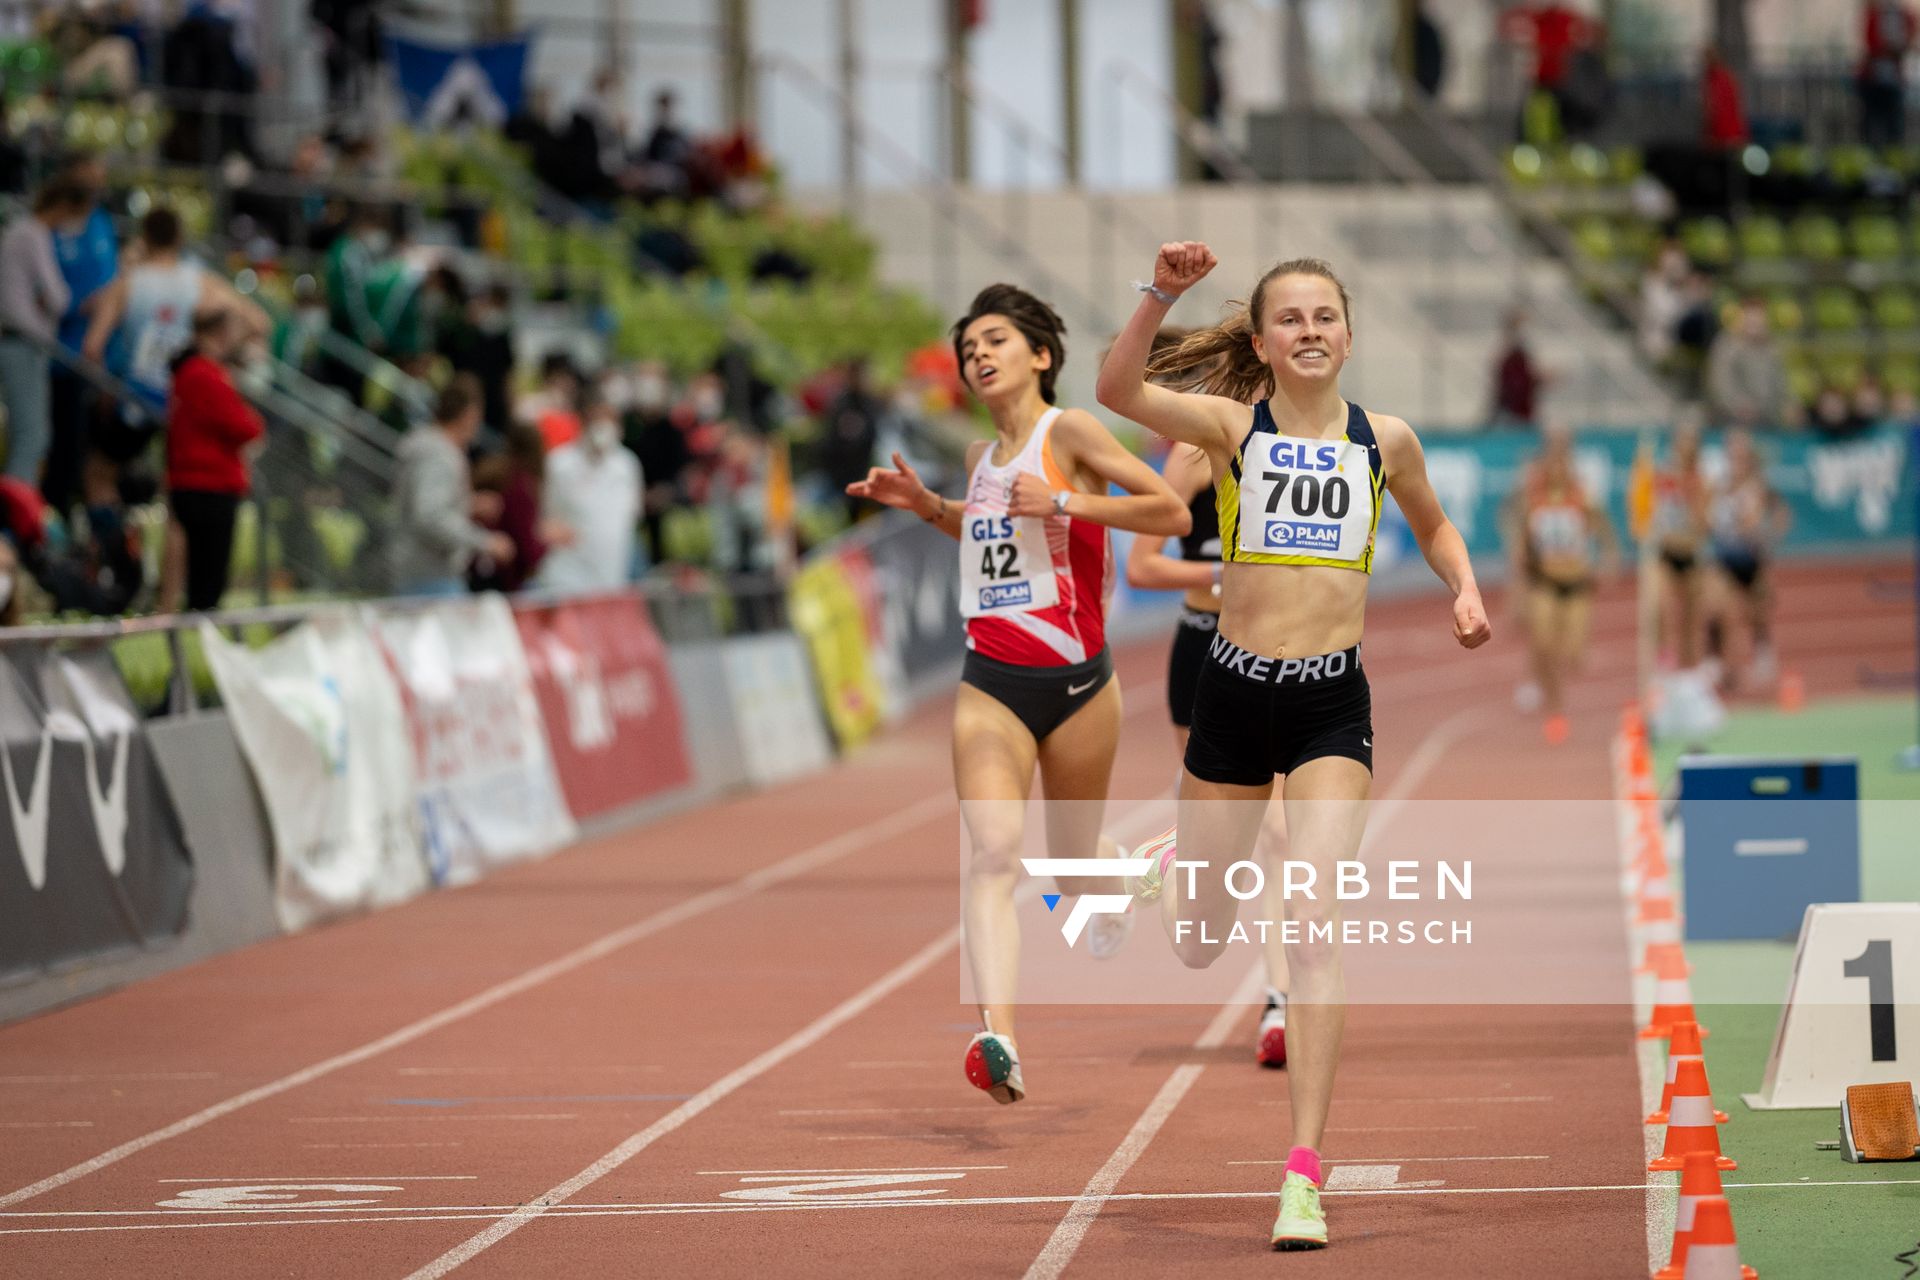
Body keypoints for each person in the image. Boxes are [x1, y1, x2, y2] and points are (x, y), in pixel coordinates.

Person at [1095, 243, 1491, 1252]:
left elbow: (1438, 527)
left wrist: (1465, 585)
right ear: (1265, 342)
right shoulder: (1234, 426)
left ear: (1348, 333)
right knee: (1196, 938)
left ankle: (1303, 1172)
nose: (1311, 330)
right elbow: (1117, 387)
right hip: (1231, 699)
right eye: (1292, 318)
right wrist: (1162, 294)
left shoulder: (1383, 438)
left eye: (1326, 315)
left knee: (1313, 922)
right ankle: (1176, 870)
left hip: (1329, 710)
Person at [846, 283, 1190, 1106]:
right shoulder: (979, 458)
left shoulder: (1067, 431)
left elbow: (1170, 510)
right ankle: (997, 1035)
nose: (978, 356)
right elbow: (990, 525)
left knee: (1070, 876)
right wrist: (931, 506)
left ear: (1039, 354)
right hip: (991, 685)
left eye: (994, 340)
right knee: (996, 854)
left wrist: (1068, 499)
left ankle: (1128, 871)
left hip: (1079, 687)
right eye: (968, 349)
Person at [1125, 423, 1292, 1068]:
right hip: (1203, 650)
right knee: (1209, 902)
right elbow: (1142, 564)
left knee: (1278, 836)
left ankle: (1278, 1000)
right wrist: (1223, 572)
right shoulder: (1192, 458)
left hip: (1275, 653)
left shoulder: (1296, 451)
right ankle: (1177, 849)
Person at [84, 206, 269, 413]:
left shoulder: (125, 285)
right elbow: (259, 321)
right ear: (179, 238)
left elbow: (92, 347)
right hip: (182, 399)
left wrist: (106, 394)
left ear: (144, 237)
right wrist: (220, 356)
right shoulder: (202, 282)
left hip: (133, 399)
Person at [1501, 422, 1619, 743]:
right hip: (1544, 581)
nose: (1557, 465)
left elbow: (1603, 526)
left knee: (1573, 654)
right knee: (1543, 644)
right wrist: (1519, 583)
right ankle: (1556, 709)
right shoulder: (1533, 493)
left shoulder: (1582, 493)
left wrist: (1609, 555)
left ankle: (1549, 688)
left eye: (1562, 458)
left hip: (1577, 581)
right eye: (1552, 457)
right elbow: (1518, 535)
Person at [164, 309, 265, 613]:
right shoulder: (203, 374)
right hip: (208, 484)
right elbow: (244, 426)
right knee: (208, 577)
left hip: (195, 481)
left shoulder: (193, 372)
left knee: (204, 573)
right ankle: (199, 631)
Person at [390, 374, 514, 596]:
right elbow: (430, 515)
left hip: (424, 573)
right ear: (469, 414)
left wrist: (469, 504)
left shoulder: (429, 448)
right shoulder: (437, 454)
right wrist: (485, 542)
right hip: (430, 577)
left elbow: (429, 504)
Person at [0, 180, 89, 486]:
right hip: (21, 343)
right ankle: (16, 514)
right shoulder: (32, 234)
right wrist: (46, 304)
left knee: (28, 433)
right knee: (32, 435)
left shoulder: (20, 232)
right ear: (63, 207)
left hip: (21, 341)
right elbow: (59, 297)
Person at [1707, 429, 1789, 692]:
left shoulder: (1759, 485)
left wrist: (1769, 535)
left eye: (1741, 456)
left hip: (1753, 560)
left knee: (1757, 614)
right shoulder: (1718, 485)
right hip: (1725, 559)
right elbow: (1705, 515)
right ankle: (1715, 661)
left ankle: (1762, 652)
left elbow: (1781, 513)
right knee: (1716, 609)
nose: (1736, 461)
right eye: (1732, 455)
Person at [536, 385, 639, 593]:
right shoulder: (559, 463)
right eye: (598, 419)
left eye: (610, 419)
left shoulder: (627, 465)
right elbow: (543, 516)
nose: (604, 427)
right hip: (567, 575)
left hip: (611, 574)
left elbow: (631, 516)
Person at [1648, 421, 1711, 672]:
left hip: (1691, 554)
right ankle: (1663, 654)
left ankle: (1688, 670)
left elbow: (1703, 524)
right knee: (1659, 604)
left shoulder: (1701, 481)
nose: (1684, 448)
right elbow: (1650, 508)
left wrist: (1691, 497)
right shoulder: (1664, 476)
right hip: (1666, 553)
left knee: (1689, 619)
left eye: (1689, 444)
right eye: (1680, 443)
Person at [1705, 294, 1788, 430]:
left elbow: (1780, 383)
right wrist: (1738, 404)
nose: (1755, 322)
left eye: (1759, 317)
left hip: (1767, 422)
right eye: (1750, 317)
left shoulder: (1772, 349)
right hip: (1731, 422)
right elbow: (1721, 381)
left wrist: (1787, 405)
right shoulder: (1727, 345)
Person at [1859, 1, 1917, 148]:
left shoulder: (1905, 16)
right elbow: (1870, 42)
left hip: (1894, 78)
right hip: (1873, 79)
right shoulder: (1875, 14)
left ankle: (1893, 153)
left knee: (1894, 123)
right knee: (1872, 122)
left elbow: (1910, 37)